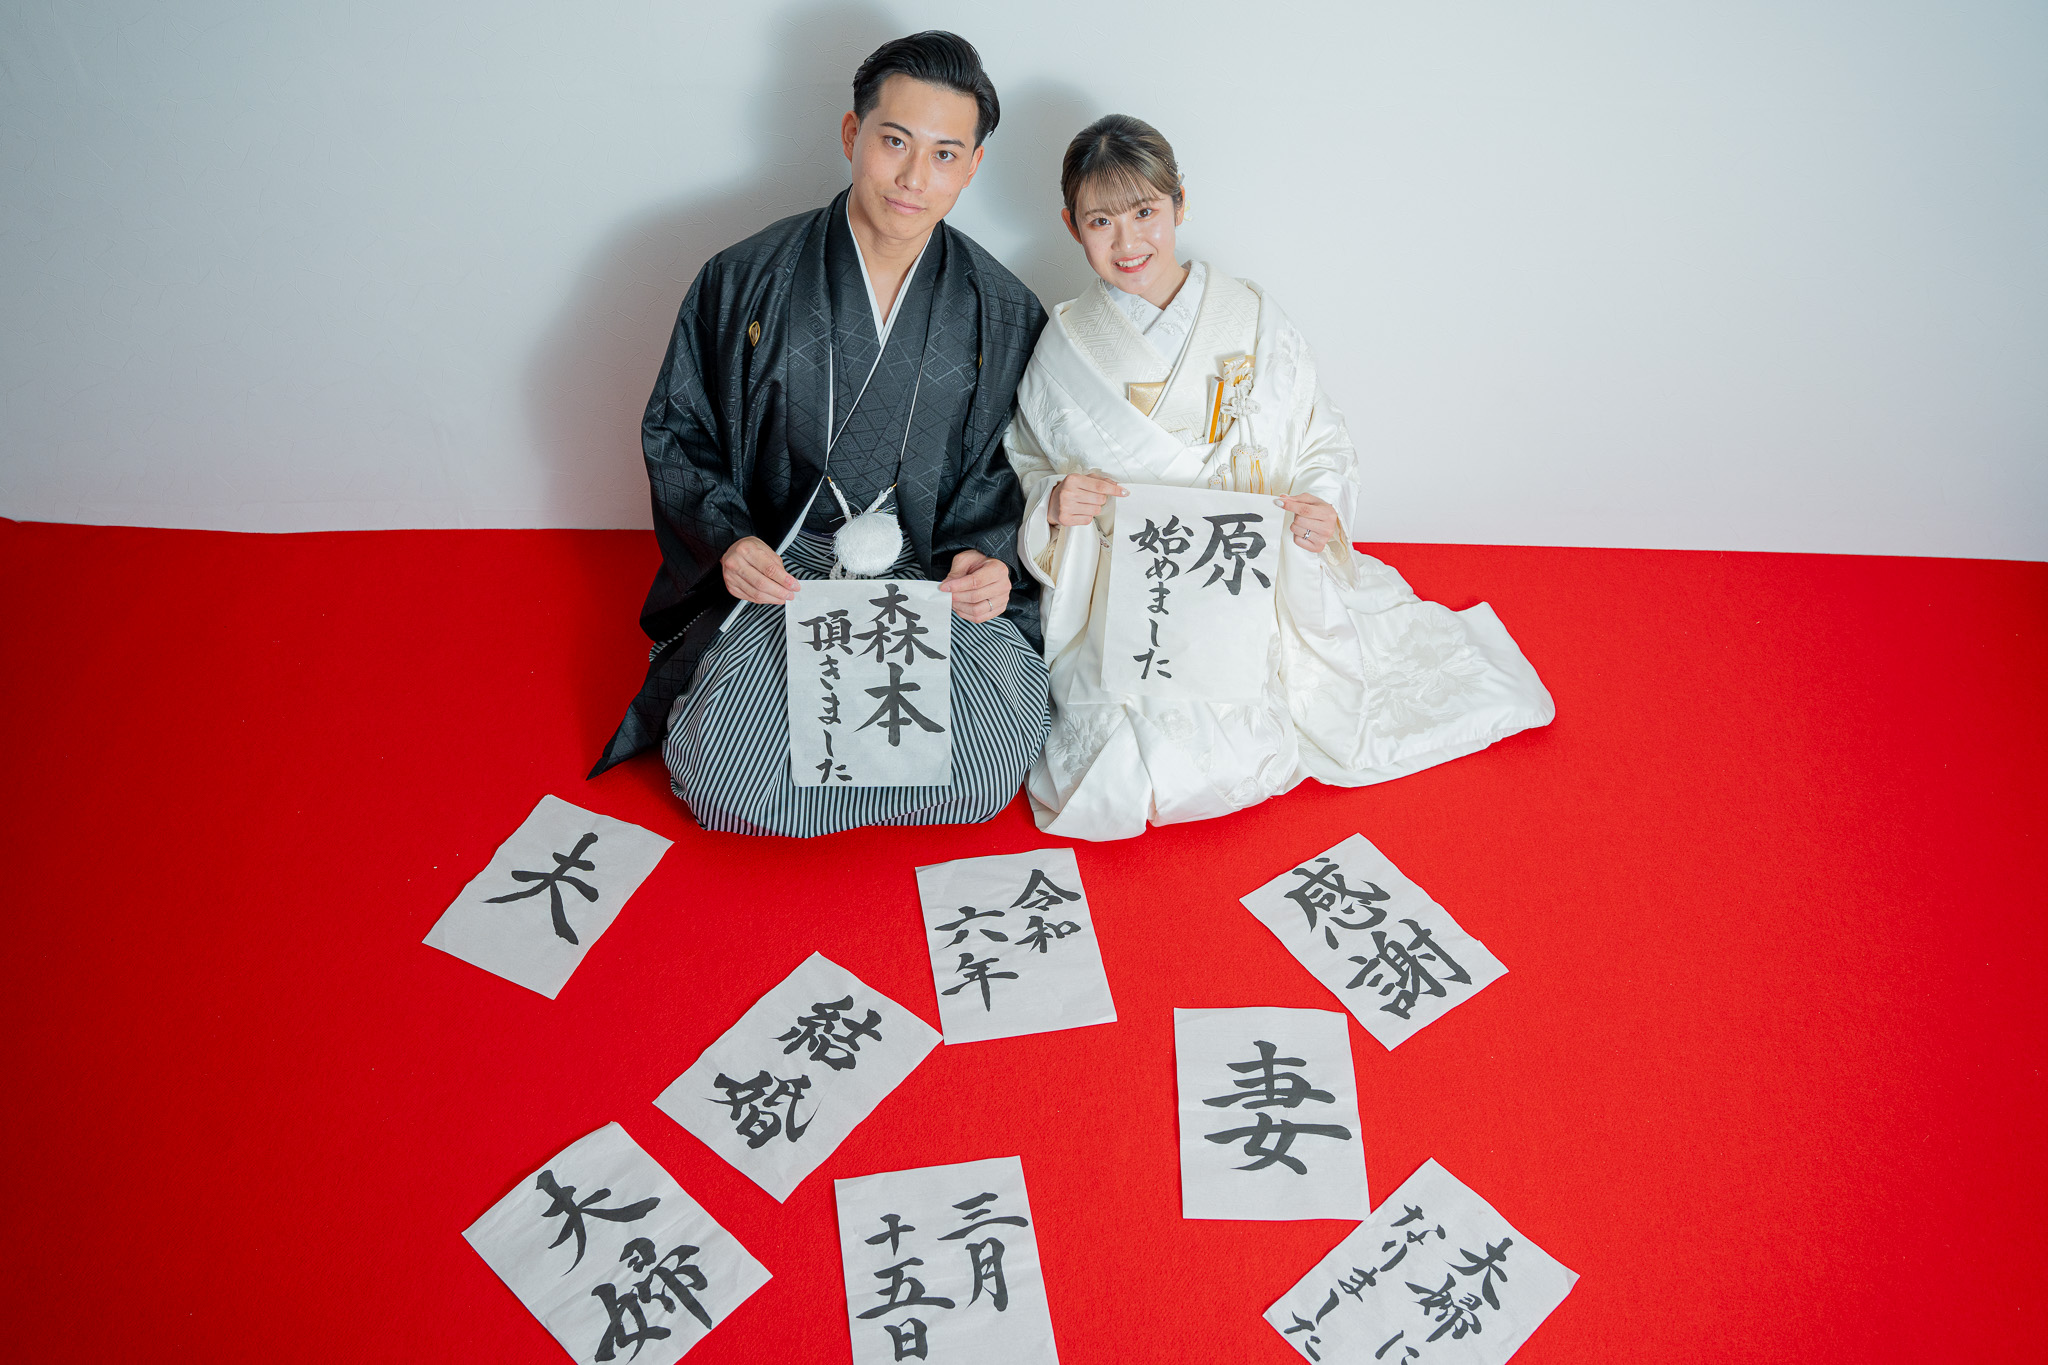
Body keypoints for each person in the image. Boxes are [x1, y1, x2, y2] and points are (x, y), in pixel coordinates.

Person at [1005, 115, 1555, 840]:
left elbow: (1319, 431)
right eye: (1101, 220)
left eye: (1145, 212)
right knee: (1122, 772)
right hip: (1137, 587)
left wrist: (1321, 504)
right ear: (1072, 226)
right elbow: (1028, 458)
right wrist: (1053, 503)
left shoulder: (1251, 317)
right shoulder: (1066, 345)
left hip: (1249, 573)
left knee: (1253, 732)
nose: (1128, 241)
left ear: (1180, 204)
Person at [590, 32, 1051, 837]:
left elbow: (1016, 465)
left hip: (924, 571)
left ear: (973, 166)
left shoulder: (1003, 310)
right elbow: (679, 427)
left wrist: (990, 557)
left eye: (945, 155)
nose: (914, 178)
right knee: (729, 779)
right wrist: (729, 539)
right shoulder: (746, 278)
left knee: (986, 767)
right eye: (895, 141)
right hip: (787, 565)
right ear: (851, 134)